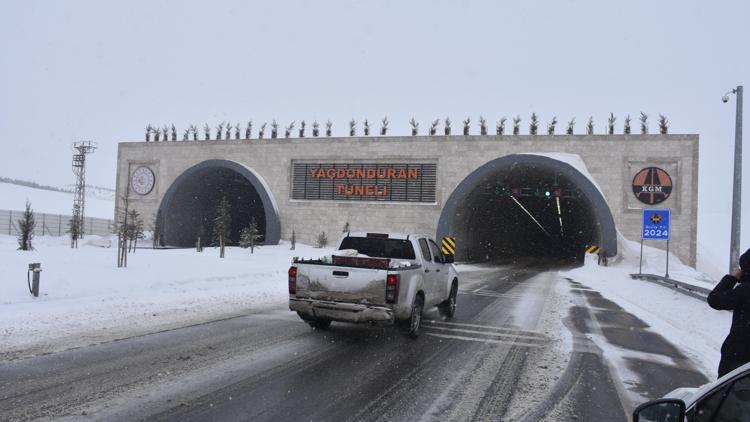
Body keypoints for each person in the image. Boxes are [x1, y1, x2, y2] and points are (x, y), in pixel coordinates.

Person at [708, 248, 750, 378]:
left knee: (728, 395)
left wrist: (731, 278)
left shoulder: (745, 290)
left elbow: (715, 299)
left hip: (740, 358)